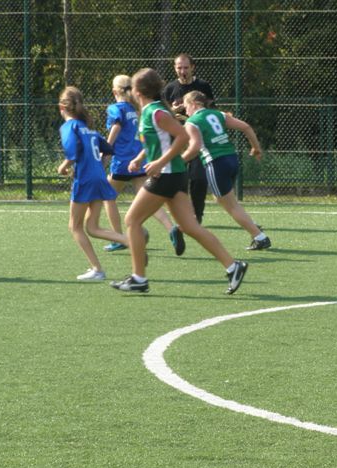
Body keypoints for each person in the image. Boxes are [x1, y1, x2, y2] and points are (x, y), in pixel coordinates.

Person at [110, 68, 248, 294]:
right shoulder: (151, 111)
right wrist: (140, 158)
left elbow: (182, 137)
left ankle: (139, 278)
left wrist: (159, 162)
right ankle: (233, 266)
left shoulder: (156, 112)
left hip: (166, 175)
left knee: (132, 220)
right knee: (189, 226)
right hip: (174, 174)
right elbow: (159, 141)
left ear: (138, 91)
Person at [102, 74, 185, 256]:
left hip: (123, 161)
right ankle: (170, 227)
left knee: (108, 196)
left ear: (114, 91)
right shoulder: (136, 108)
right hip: (141, 160)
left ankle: (118, 238)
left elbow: (116, 127)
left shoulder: (115, 108)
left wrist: (106, 149)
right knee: (146, 197)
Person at [181, 90, 271, 250]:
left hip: (216, 163)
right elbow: (246, 127)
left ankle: (259, 236)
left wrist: (178, 161)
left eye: (186, 106)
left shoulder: (192, 122)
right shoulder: (218, 114)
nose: (186, 111)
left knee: (230, 205)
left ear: (194, 104)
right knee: (222, 199)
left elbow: (194, 148)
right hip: (231, 159)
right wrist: (256, 148)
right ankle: (252, 225)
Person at [58, 86, 129, 281]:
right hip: (99, 178)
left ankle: (97, 270)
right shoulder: (89, 129)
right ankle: (130, 241)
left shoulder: (69, 127)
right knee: (92, 227)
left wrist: (63, 167)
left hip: (85, 179)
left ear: (61, 107)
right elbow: (108, 149)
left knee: (75, 226)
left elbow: (72, 152)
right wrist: (98, 165)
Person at [162, 53, 214, 224]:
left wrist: (191, 113)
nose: (182, 71)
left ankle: (197, 215)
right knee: (178, 178)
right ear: (175, 68)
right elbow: (161, 114)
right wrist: (173, 111)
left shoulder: (203, 86)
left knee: (199, 179)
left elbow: (211, 111)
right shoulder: (170, 89)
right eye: (179, 67)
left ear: (193, 67)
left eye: (186, 67)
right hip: (177, 140)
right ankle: (182, 214)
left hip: (197, 139)